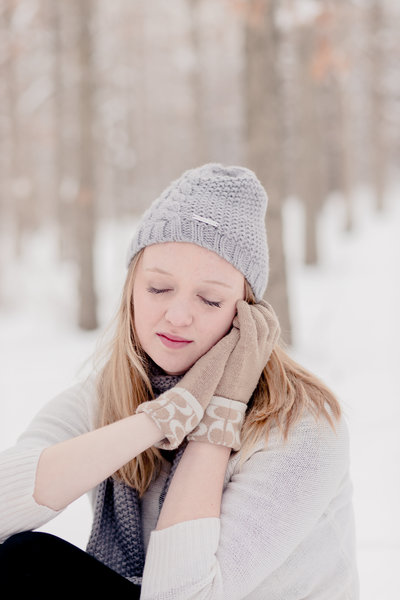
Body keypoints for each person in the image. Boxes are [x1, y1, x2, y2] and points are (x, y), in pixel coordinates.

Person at [0, 163, 359, 599]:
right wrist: (162, 419)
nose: (178, 315)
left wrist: (220, 412)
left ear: (246, 313)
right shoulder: (110, 394)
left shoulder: (302, 425)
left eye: (209, 299)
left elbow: (184, 596)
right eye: (158, 289)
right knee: (23, 558)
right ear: (131, 288)